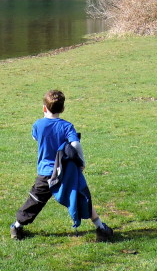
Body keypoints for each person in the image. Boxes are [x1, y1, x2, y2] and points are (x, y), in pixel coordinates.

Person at [10, 89, 115, 241]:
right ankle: (100, 228)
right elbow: (75, 144)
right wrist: (82, 161)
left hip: (46, 172)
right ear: (63, 109)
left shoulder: (38, 125)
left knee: (35, 200)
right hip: (65, 172)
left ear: (44, 108)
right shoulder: (67, 126)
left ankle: (17, 227)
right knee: (81, 196)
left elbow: (35, 138)